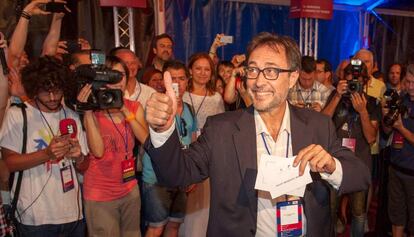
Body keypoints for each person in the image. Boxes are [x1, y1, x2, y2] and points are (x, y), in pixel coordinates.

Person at [144, 32, 371, 236]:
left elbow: (360, 175)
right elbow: (177, 175)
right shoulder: (221, 129)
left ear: (292, 77)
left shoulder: (317, 125)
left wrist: (332, 165)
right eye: (252, 70)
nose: (259, 81)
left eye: (271, 71)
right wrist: (163, 131)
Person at [0, 56, 88, 236]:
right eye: (45, 92)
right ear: (34, 89)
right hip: (35, 217)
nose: (53, 97)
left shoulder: (71, 115)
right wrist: (46, 154)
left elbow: (85, 166)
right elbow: (8, 164)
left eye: (57, 91)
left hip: (73, 214)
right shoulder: (18, 115)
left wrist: (78, 156)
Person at [77, 56, 148, 237]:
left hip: (129, 188)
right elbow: (98, 151)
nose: (117, 81)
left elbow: (146, 140)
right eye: (112, 76)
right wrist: (88, 112)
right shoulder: (93, 109)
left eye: (121, 75)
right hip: (100, 194)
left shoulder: (133, 106)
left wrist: (124, 109)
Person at [322, 60, 381, 236]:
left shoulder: (372, 103)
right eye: (350, 82)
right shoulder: (336, 96)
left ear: (365, 82)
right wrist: (338, 96)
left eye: (358, 82)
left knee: (358, 213)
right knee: (330, 210)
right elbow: (322, 123)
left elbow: (371, 138)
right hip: (334, 163)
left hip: (360, 164)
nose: (354, 85)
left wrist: (362, 111)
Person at [142, 60, 196, 237]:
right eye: (172, 78)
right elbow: (147, 140)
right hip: (156, 179)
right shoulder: (156, 107)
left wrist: (193, 173)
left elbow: (193, 141)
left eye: (181, 78)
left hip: (181, 179)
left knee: (174, 226)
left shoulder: (189, 109)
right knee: (156, 228)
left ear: (187, 81)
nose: (177, 83)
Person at [382, 64, 414, 237]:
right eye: (407, 82)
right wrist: (384, 114)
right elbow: (387, 131)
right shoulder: (401, 98)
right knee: (396, 216)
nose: (410, 87)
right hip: (395, 168)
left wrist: (401, 129)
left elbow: (400, 130)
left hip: (412, 172)